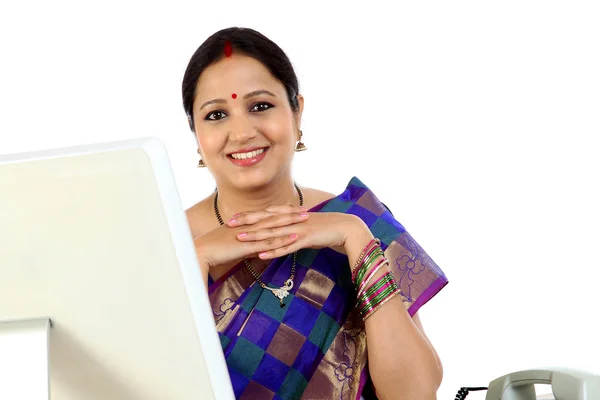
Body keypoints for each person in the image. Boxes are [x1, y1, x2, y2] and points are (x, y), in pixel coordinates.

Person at [182, 27, 448, 400]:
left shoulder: (357, 219)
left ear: (297, 112)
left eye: (260, 106)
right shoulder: (165, 239)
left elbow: (416, 394)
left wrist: (355, 240)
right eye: (217, 114)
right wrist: (195, 258)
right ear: (195, 133)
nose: (241, 132)